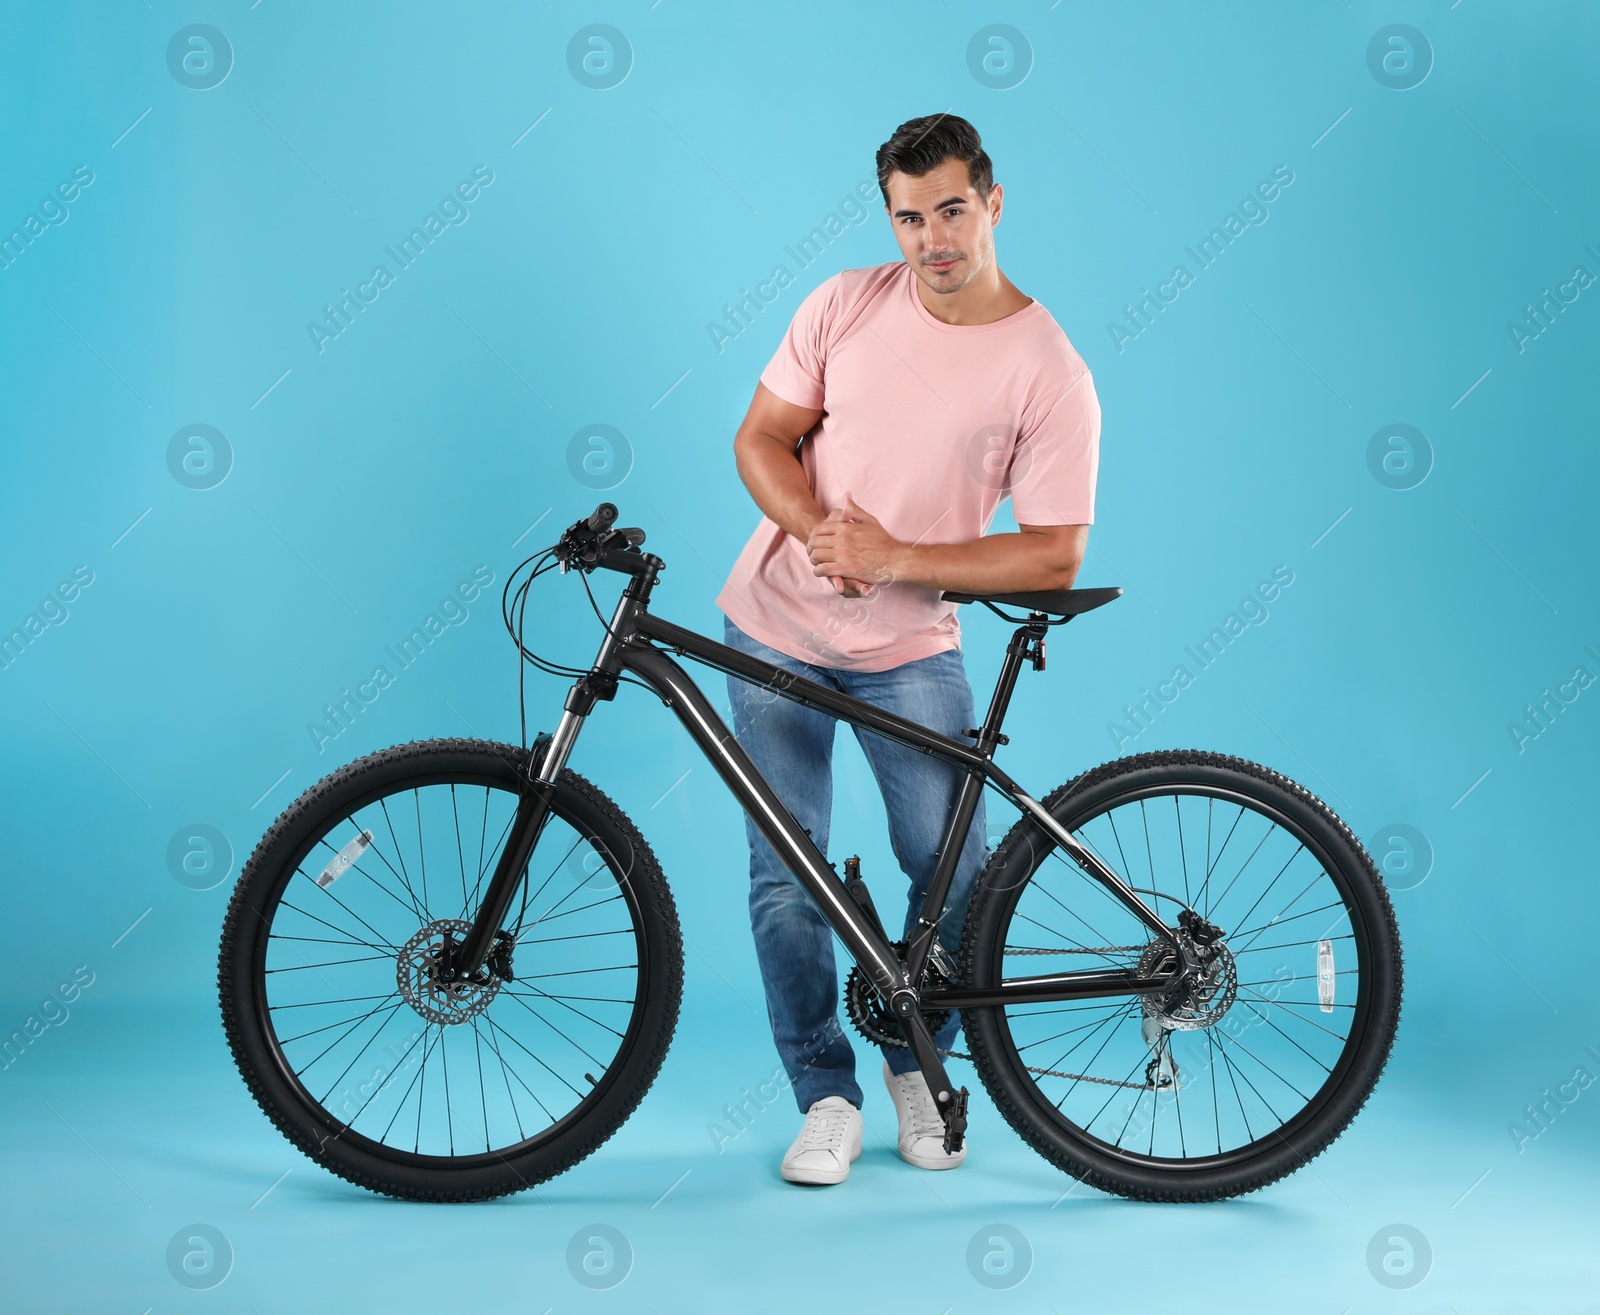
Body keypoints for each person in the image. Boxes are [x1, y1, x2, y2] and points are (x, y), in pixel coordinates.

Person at [716, 113, 1102, 1186]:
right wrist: (817, 534)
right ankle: (824, 1094)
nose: (929, 238)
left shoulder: (1047, 368)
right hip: (772, 631)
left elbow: (1056, 555)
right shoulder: (843, 302)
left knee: (950, 871)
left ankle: (923, 1071)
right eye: (906, 216)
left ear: (991, 202)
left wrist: (891, 557)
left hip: (909, 645)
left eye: (948, 210)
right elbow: (759, 436)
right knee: (785, 879)